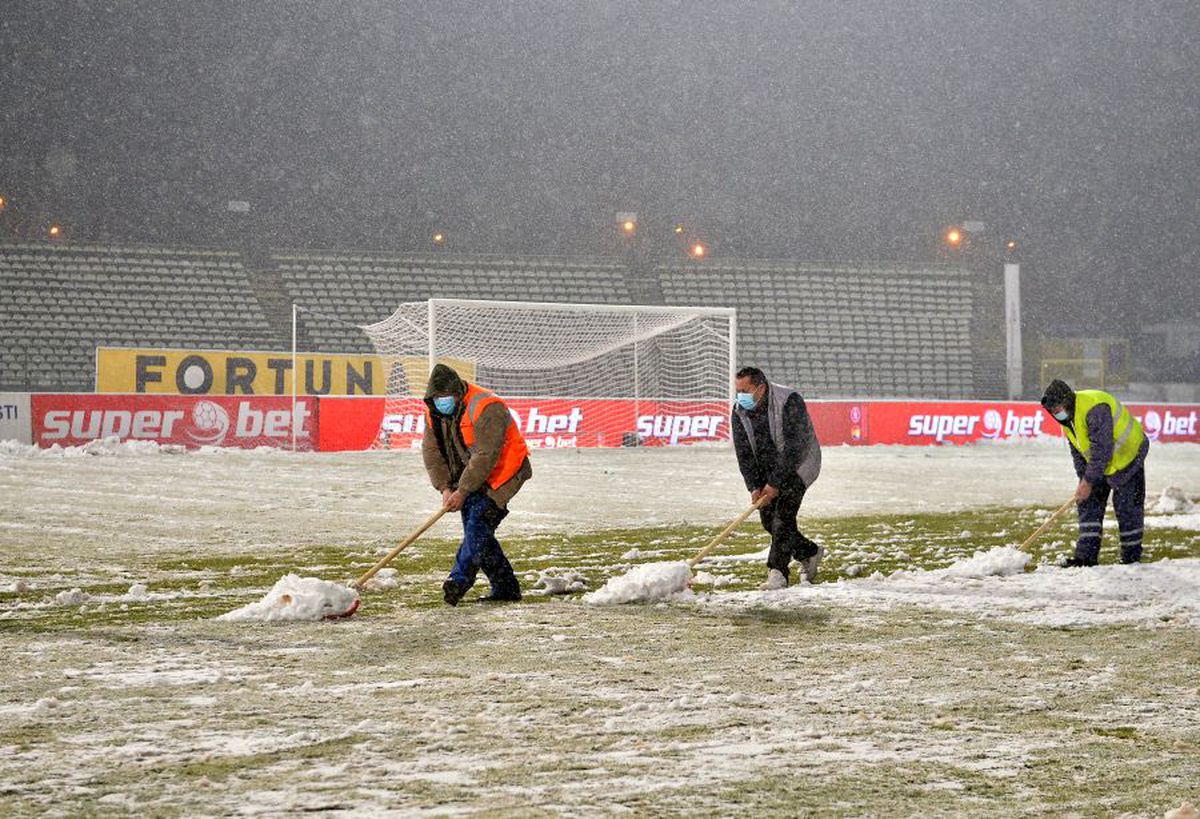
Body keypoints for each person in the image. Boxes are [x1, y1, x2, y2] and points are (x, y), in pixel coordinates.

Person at [422, 364, 532, 605]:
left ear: (458, 393)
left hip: (503, 474)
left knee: (478, 526)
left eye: (446, 397)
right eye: (438, 398)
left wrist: (463, 491)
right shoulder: (433, 413)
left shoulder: (486, 407)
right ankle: (506, 588)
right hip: (471, 478)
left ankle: (458, 581)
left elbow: (486, 455)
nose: (442, 402)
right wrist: (445, 487)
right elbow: (432, 453)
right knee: (479, 536)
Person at [731, 366, 823, 590]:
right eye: (737, 391)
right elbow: (744, 454)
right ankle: (809, 552)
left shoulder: (789, 400)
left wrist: (775, 483)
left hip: (799, 464)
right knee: (768, 520)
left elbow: (795, 446)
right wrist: (754, 486)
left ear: (761, 388)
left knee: (783, 516)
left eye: (744, 391)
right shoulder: (739, 412)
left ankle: (778, 573)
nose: (740, 396)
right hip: (768, 467)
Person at [1040, 379, 1149, 567]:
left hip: (1128, 456)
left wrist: (1088, 481)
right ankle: (1086, 557)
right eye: (1053, 412)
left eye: (1058, 409)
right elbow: (1079, 453)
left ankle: (1131, 558)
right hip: (1101, 464)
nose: (1056, 414)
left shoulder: (1094, 408)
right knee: (1088, 502)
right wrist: (1083, 480)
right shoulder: (1067, 420)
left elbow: (1101, 449)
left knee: (1127, 506)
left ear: (1067, 401)